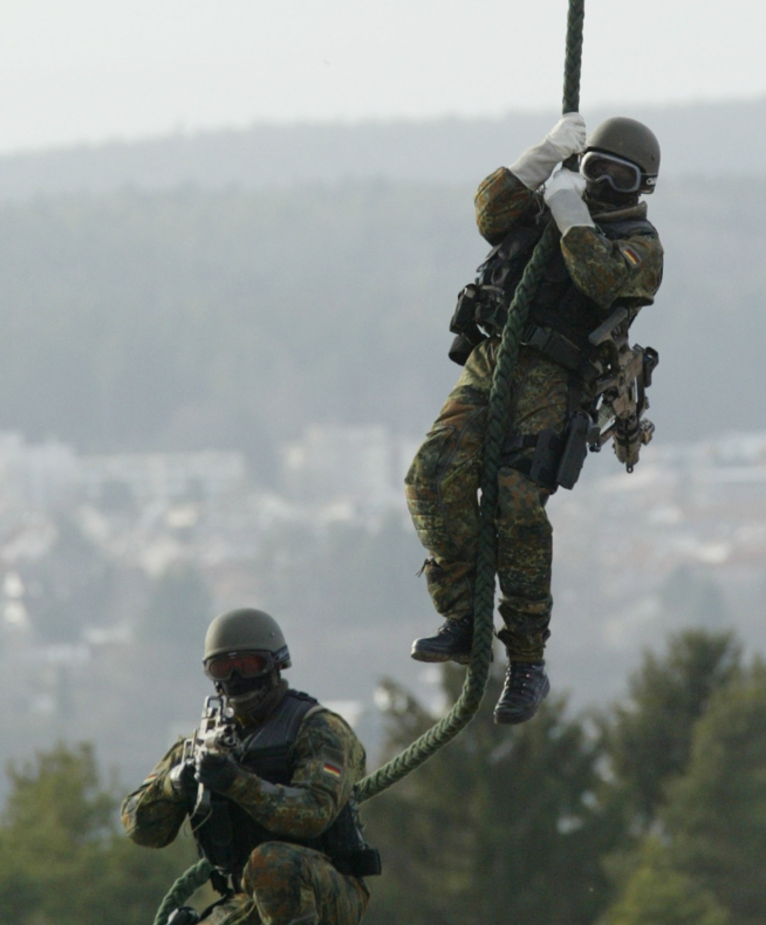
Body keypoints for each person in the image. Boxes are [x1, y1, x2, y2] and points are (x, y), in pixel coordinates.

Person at [405, 114, 664, 725]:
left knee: (515, 502)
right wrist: (543, 158)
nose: (601, 185)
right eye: (594, 168)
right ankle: (462, 617)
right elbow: (490, 214)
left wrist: (573, 212)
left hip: (554, 375)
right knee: (431, 477)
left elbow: (600, 276)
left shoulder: (641, 245)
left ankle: (526, 660)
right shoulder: (551, 204)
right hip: (493, 356)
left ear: (640, 189)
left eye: (617, 179)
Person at [121, 608, 379, 925]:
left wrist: (235, 782)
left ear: (274, 665)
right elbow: (140, 827)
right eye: (223, 668)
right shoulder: (202, 743)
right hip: (246, 896)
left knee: (272, 861)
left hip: (327, 890)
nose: (236, 678)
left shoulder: (318, 729)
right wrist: (176, 783)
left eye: (247, 665)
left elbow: (314, 813)